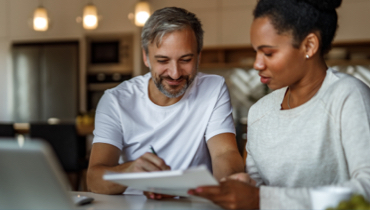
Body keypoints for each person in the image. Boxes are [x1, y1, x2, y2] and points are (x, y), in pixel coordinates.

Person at [188, 0, 370, 209]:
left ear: (309, 45)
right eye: (255, 52)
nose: (257, 64)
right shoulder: (260, 112)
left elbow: (367, 188)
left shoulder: (348, 96)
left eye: (268, 53)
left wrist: (261, 199)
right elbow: (256, 186)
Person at [86, 7, 244, 198]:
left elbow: (224, 153)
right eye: (162, 60)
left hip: (194, 200)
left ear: (199, 56)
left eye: (185, 60)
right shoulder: (115, 101)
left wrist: (229, 185)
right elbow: (94, 180)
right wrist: (130, 171)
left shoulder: (213, 88)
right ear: (146, 57)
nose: (175, 73)